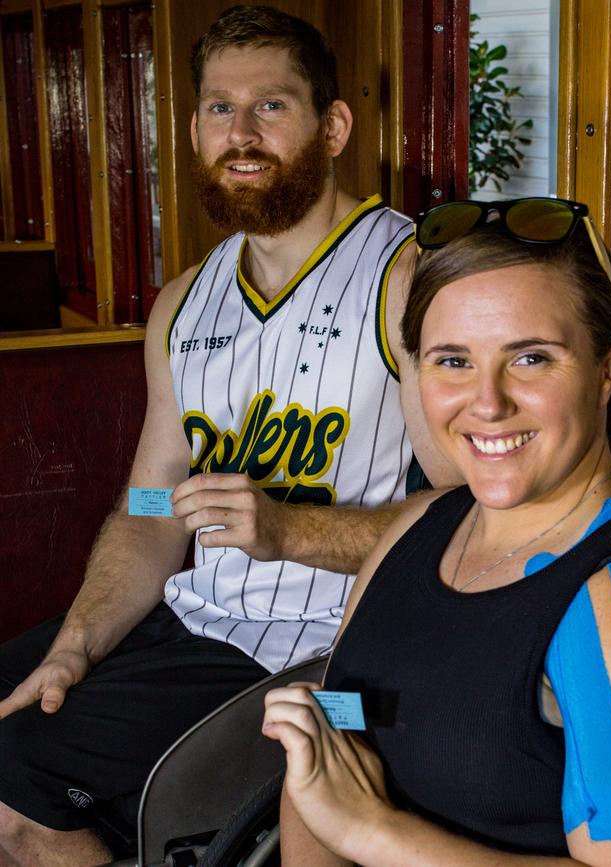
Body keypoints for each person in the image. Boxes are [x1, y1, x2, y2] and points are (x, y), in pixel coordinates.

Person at [0, 7, 455, 865]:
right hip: (192, 620)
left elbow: (465, 516)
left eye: (271, 107)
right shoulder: (181, 305)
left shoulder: (406, 280)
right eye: (218, 109)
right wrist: (77, 638)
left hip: (314, 652)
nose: (240, 133)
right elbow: (149, 499)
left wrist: (291, 529)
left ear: (333, 125)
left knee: (16, 782)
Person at [263, 197, 611, 866]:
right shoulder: (419, 524)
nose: (488, 402)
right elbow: (339, 740)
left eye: (530, 358)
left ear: (607, 368)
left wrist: (374, 832)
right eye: (452, 361)